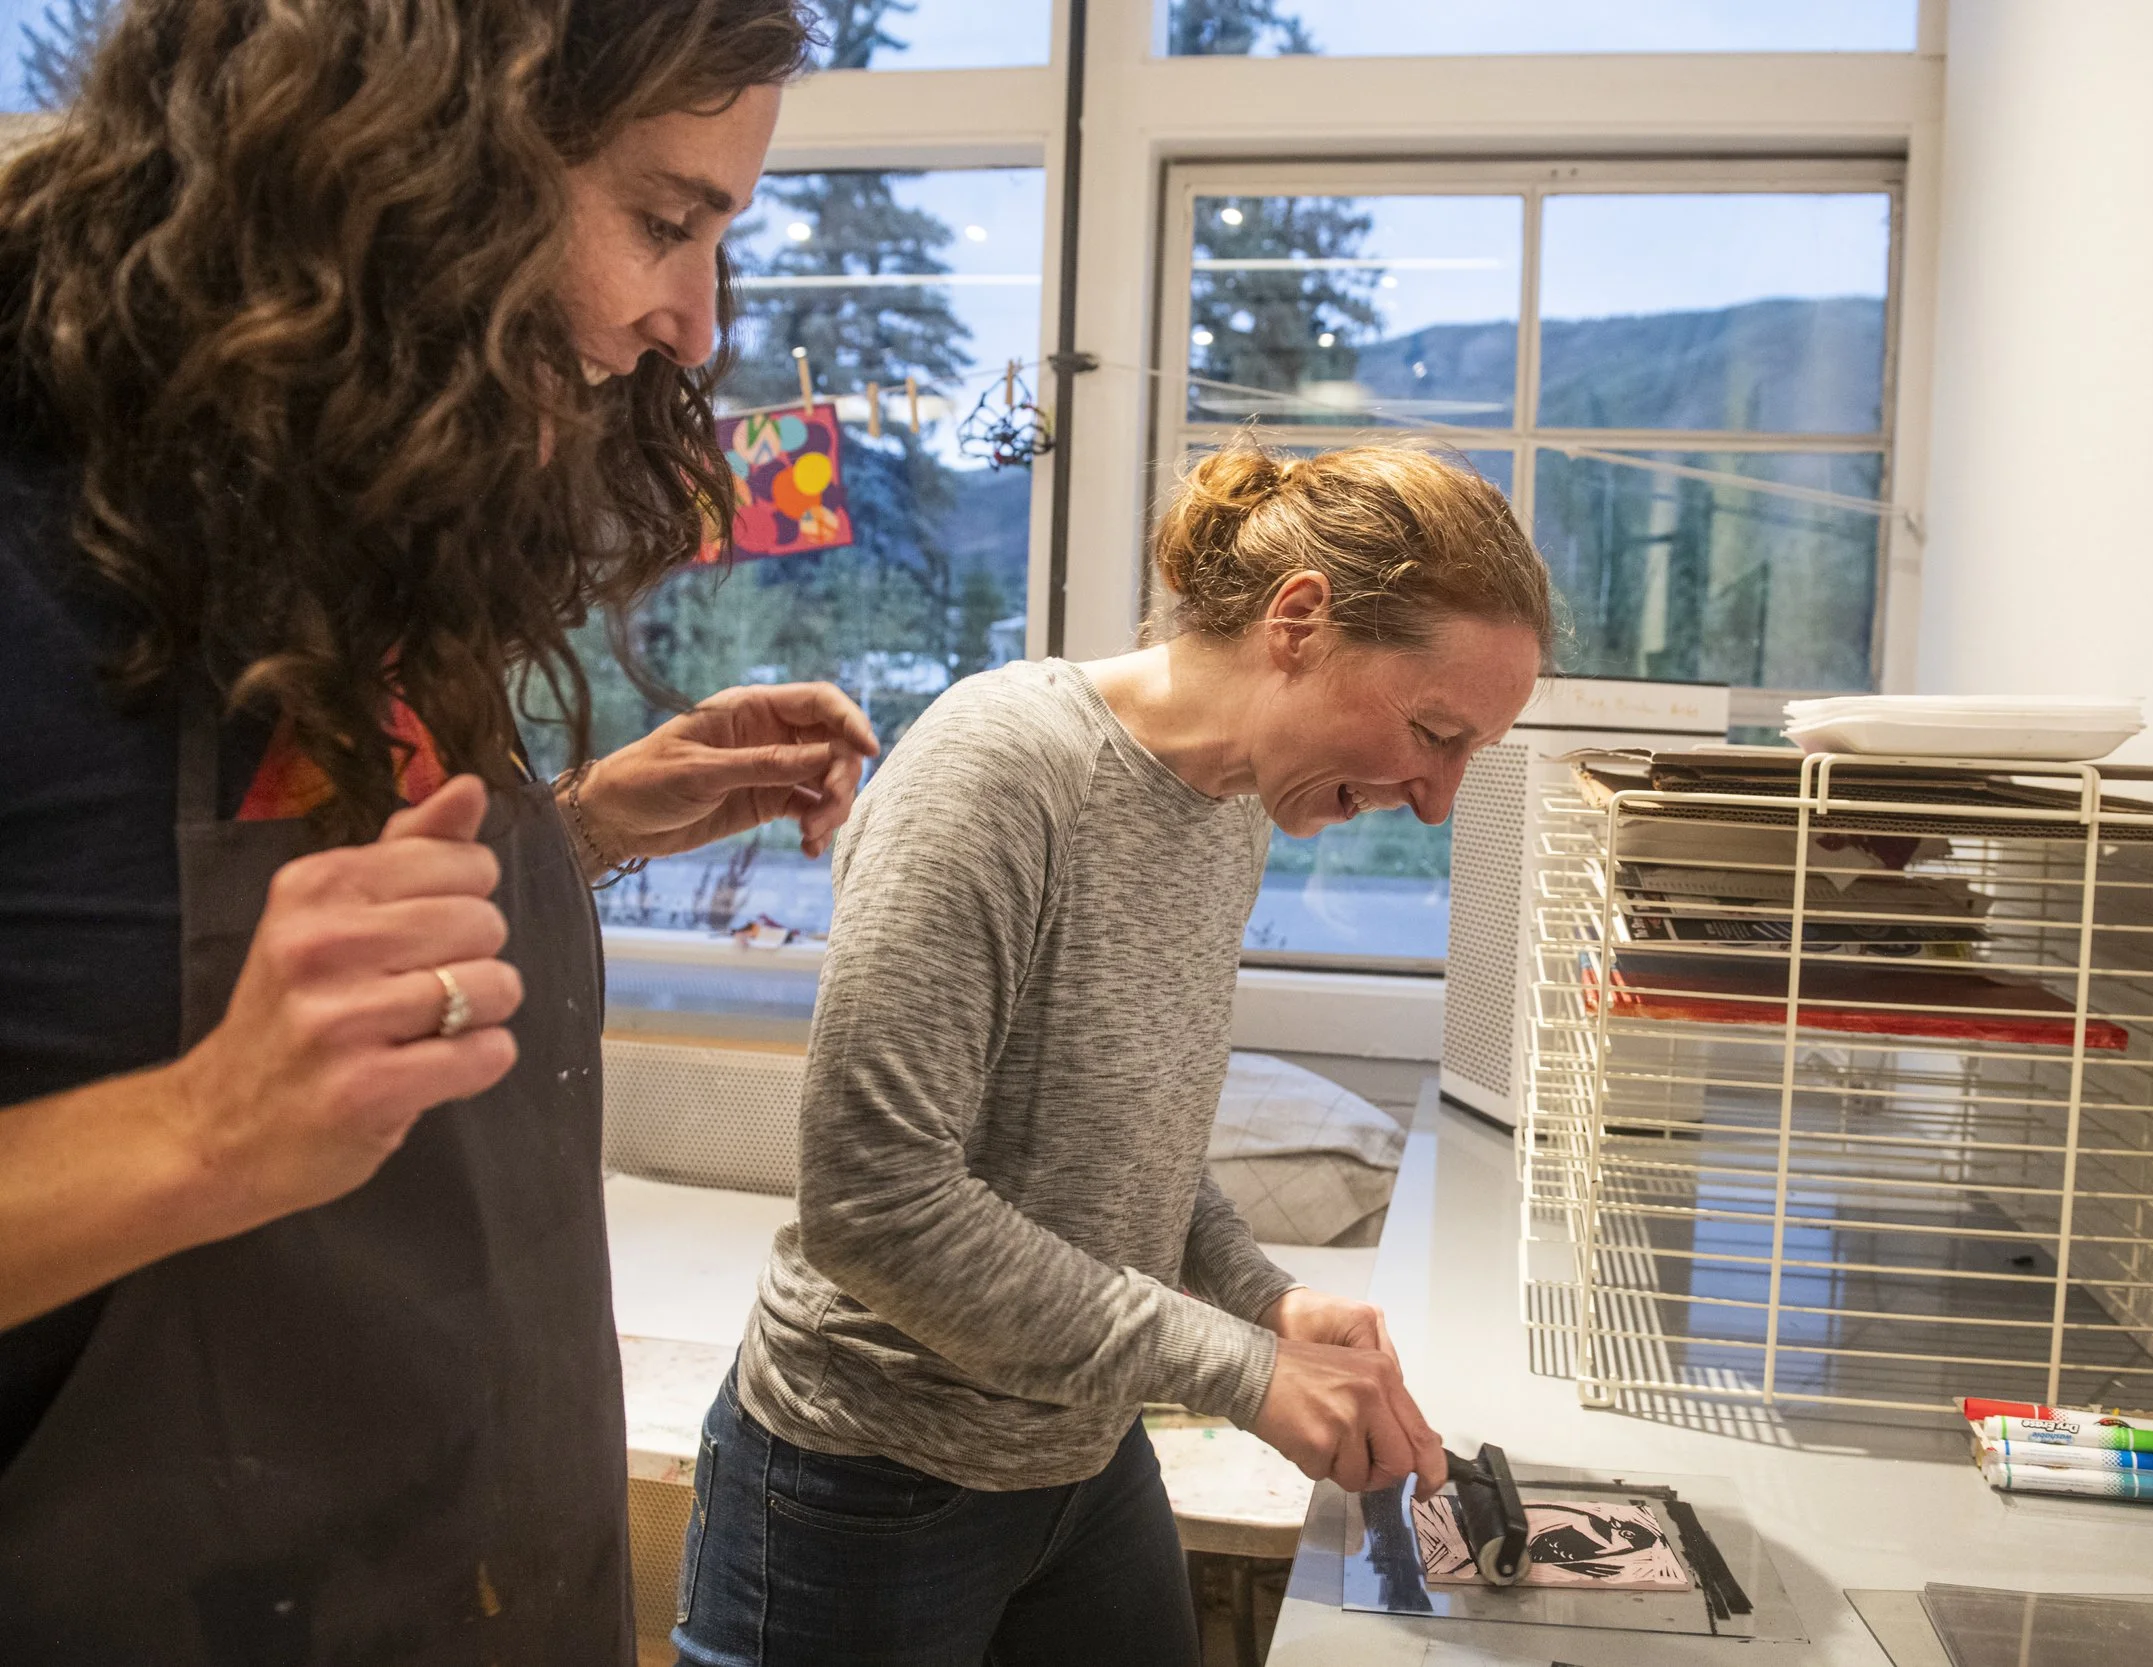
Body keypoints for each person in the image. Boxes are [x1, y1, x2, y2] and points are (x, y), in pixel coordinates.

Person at [0, 1, 875, 1657]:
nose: (694, 326)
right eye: (664, 220)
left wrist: (593, 826)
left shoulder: (364, 495)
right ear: (410, 156)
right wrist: (195, 1131)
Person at [673, 437, 1553, 1666]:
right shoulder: (1001, 770)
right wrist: (1244, 1369)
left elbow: (1128, 1130)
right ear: (1300, 620)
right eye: (1435, 730)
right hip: (866, 1475)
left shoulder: (1236, 805)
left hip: (1082, 1456)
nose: (1439, 798)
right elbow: (872, 1202)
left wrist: (1264, 1294)